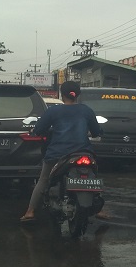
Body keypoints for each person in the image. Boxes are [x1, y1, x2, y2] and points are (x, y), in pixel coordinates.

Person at [20, 81, 103, 223]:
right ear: (77, 95)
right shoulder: (86, 110)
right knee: (92, 176)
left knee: (43, 179)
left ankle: (30, 211)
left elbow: (39, 130)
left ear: (62, 94)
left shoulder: (54, 111)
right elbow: (96, 132)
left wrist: (34, 131)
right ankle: (101, 210)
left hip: (57, 154)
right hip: (83, 153)